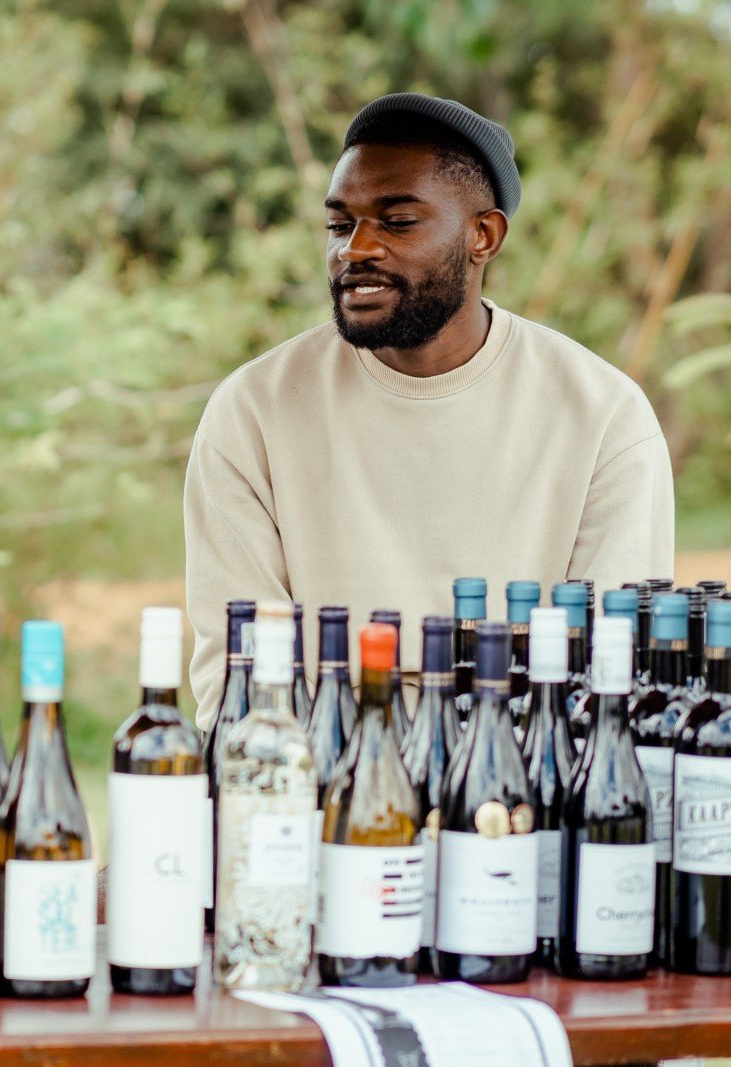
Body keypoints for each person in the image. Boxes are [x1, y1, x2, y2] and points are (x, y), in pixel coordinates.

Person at [183, 92, 673, 727]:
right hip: (315, 774)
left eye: (397, 221)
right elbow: (239, 679)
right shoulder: (254, 409)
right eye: (340, 225)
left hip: (519, 777)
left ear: (482, 236)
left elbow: (607, 684)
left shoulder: (603, 414)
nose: (355, 249)